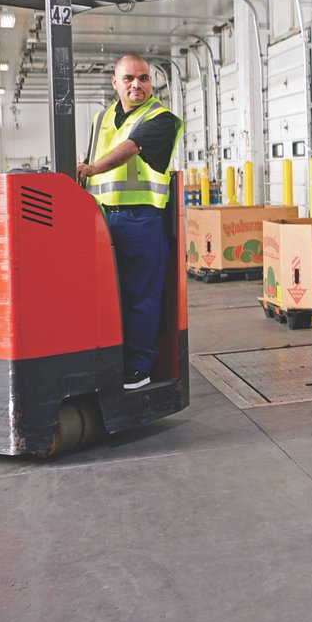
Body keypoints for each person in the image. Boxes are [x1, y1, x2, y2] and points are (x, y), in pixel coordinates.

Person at [78, 54, 183, 391]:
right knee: (108, 298)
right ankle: (112, 362)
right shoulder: (101, 118)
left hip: (142, 220)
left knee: (141, 297)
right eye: (129, 78)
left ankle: (139, 369)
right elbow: (89, 161)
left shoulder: (161, 118)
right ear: (115, 82)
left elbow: (131, 146)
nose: (137, 84)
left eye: (144, 78)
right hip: (103, 218)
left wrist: (92, 169)